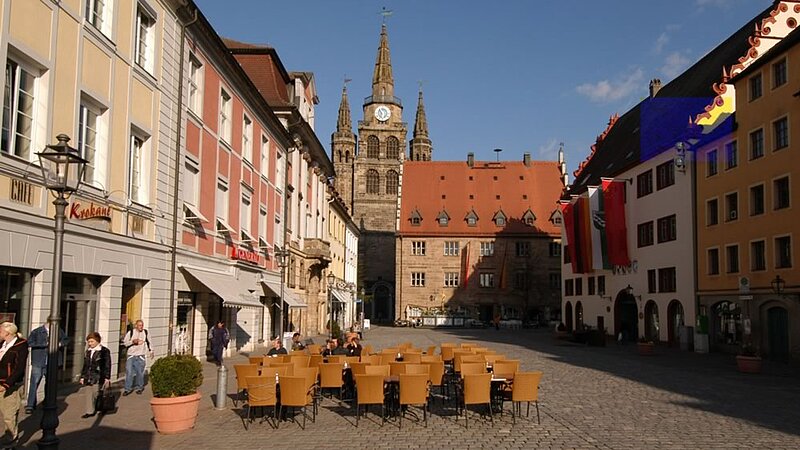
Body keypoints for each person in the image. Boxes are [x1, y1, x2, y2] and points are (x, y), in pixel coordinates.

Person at [25, 321, 67, 414]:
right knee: (34, 382)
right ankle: (30, 404)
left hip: (52, 361)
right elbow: (30, 342)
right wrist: (44, 344)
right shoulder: (37, 331)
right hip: (39, 361)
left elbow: (66, 340)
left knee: (50, 383)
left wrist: (60, 344)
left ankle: (47, 402)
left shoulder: (58, 331)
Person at [0, 322, 28, 447]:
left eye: (0, 331)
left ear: (7, 332)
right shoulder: (2, 344)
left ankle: (10, 441)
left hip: (9, 385)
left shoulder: (20, 346)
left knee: (9, 414)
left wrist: (7, 384)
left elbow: (19, 368)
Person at [79, 331, 111, 419]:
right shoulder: (88, 351)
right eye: (89, 342)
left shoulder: (104, 351)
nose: (90, 344)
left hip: (99, 375)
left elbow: (107, 364)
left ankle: (101, 407)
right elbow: (85, 365)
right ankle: (89, 411)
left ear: (97, 341)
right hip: (89, 375)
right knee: (89, 393)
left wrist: (107, 377)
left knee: (97, 392)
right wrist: (82, 376)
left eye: (92, 341)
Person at [122, 320, 150, 396]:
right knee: (129, 373)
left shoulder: (145, 333)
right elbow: (125, 343)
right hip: (131, 355)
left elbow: (149, 342)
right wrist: (133, 342)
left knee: (140, 373)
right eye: (139, 325)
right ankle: (127, 389)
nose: (141, 327)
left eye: (142, 325)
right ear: (136, 326)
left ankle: (139, 388)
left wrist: (151, 351)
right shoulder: (130, 333)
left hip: (141, 355)